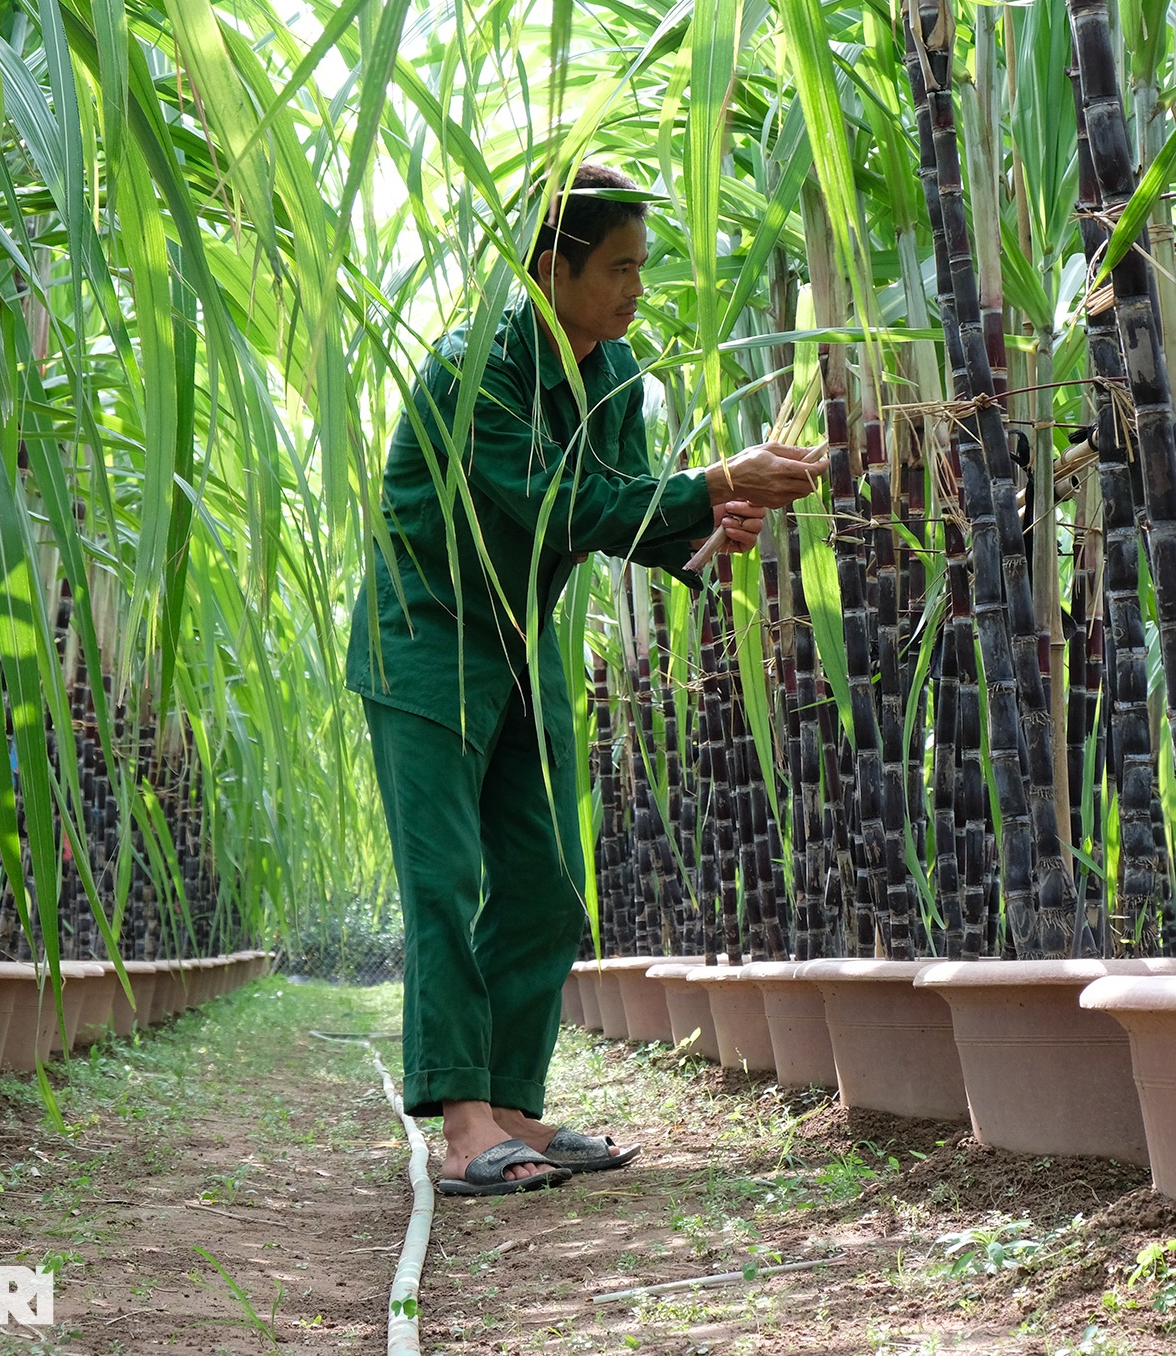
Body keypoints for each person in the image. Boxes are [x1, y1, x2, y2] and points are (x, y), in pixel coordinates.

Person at [346, 163, 824, 1195]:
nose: (632, 289)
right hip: (424, 638)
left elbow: (623, 509)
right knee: (445, 881)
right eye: (614, 267)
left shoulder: (611, 374)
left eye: (639, 269)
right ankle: (465, 1124)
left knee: (551, 878)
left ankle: (516, 1102)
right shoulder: (477, 368)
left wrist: (707, 526)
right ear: (551, 268)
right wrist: (709, 484)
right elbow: (556, 508)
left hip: (519, 644)